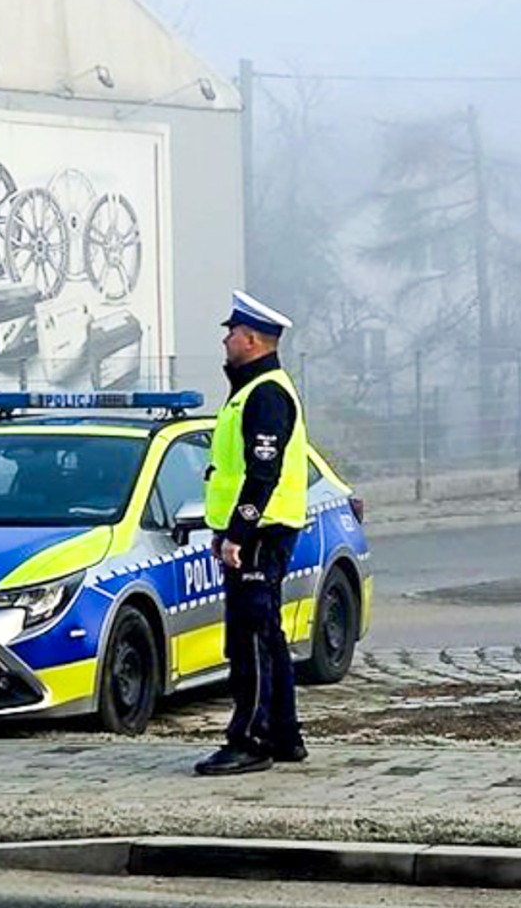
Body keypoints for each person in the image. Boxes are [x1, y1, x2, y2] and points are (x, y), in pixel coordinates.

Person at [194, 290, 310, 777]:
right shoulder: (251, 389)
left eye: (232, 333)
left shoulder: (265, 394)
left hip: (261, 533)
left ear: (253, 340)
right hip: (255, 531)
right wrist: (227, 530)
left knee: (251, 640)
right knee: (266, 635)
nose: (225, 341)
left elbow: (263, 472)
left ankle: (251, 739)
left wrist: (238, 533)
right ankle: (283, 734)